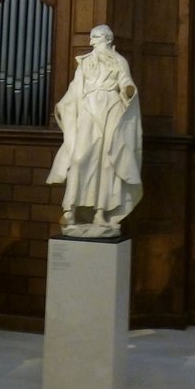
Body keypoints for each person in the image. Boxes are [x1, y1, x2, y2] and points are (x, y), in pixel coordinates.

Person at [46, 24, 142, 236]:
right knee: (79, 158)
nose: (92, 42)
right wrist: (64, 105)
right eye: (91, 38)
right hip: (89, 109)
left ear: (107, 39)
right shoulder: (85, 63)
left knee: (108, 164)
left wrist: (128, 90)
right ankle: (70, 209)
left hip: (111, 110)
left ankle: (100, 212)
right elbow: (75, 88)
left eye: (96, 37)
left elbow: (125, 81)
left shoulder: (119, 61)